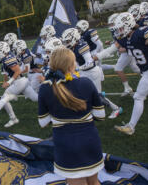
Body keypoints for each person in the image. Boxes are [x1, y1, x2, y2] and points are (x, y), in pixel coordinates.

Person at [38, 48, 104, 185]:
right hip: (90, 140)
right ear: (71, 65)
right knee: (94, 182)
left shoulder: (45, 88)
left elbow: (43, 122)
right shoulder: (86, 82)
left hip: (65, 144)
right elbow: (100, 115)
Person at [107, 12, 148, 135]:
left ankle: (131, 127)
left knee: (138, 97)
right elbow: (118, 47)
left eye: (121, 28)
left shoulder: (141, 33)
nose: (119, 31)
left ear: (128, 25)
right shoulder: (127, 38)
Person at [61, 28, 122, 119]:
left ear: (74, 38)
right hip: (84, 73)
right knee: (80, 93)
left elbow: (90, 63)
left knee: (98, 97)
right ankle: (87, 111)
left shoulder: (81, 46)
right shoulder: (74, 47)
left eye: (68, 41)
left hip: (92, 72)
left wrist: (78, 69)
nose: (67, 43)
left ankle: (116, 109)